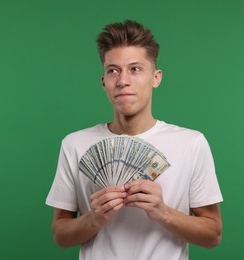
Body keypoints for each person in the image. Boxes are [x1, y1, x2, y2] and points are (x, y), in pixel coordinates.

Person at [45, 20, 223, 260]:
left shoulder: (191, 143)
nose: (122, 80)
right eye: (113, 70)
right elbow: (60, 235)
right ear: (103, 82)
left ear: (156, 77)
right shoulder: (74, 144)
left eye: (135, 69)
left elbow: (213, 235)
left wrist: (163, 212)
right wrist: (93, 219)